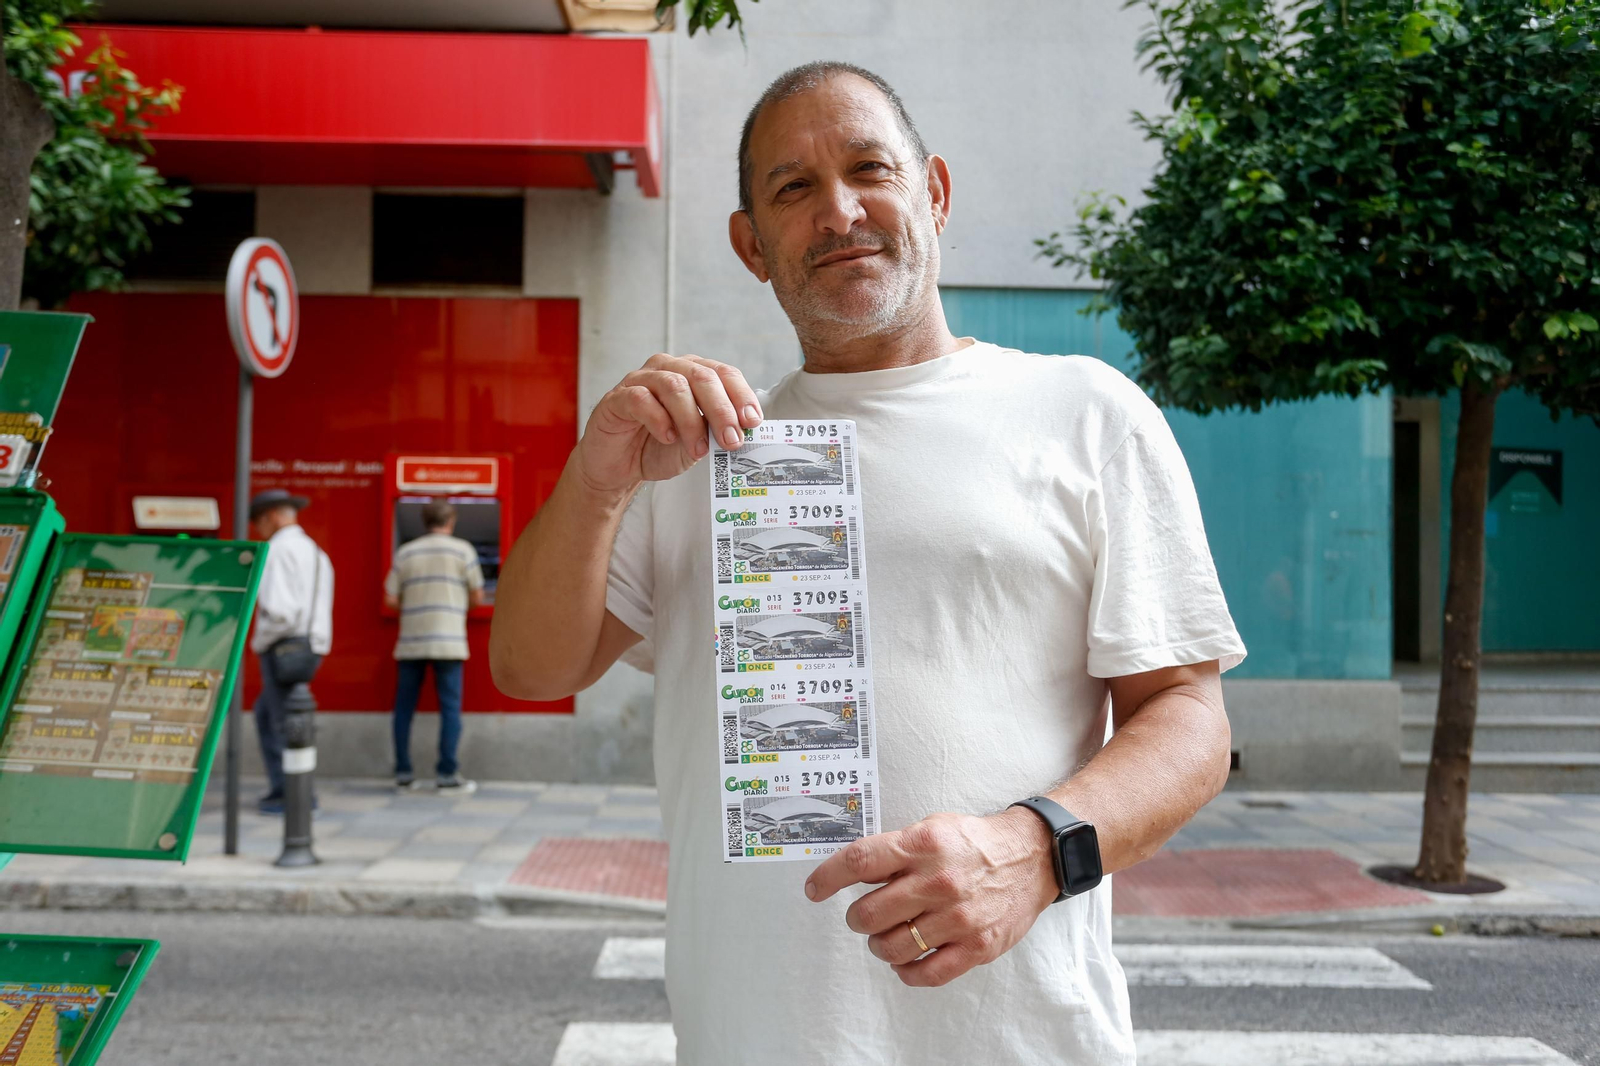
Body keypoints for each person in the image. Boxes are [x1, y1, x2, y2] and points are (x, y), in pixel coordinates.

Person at [490, 61, 1247, 1065]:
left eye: (868, 169)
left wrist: (1030, 850)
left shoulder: (1083, 412)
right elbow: (532, 667)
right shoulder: (691, 452)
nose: (840, 211)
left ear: (931, 192)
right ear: (750, 245)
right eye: (793, 189)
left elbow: (1189, 721)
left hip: (1021, 1039)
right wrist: (597, 479)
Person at [384, 499, 485, 793]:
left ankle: (404, 774)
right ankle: (447, 775)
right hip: (449, 642)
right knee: (450, 709)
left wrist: (416, 602)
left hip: (412, 642)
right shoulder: (463, 550)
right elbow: (477, 596)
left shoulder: (406, 552)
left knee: (404, 708)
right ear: (450, 520)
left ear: (424, 521)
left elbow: (390, 598)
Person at [248, 488, 334, 816]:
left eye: (258, 523)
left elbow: (280, 612)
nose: (258, 531)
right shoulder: (314, 551)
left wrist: (259, 641)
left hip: (283, 646)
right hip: (310, 645)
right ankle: (291, 790)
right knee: (275, 715)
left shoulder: (277, 550)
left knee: (280, 721)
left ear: (270, 517)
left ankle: (291, 794)